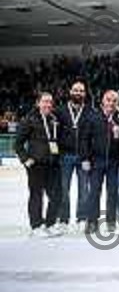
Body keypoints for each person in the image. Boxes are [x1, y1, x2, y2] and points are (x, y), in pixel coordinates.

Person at [15, 92, 63, 236]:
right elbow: (18, 144)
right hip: (36, 165)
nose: (48, 105)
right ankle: (36, 226)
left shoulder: (54, 119)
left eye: (50, 102)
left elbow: (55, 140)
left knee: (57, 195)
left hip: (52, 164)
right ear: (38, 103)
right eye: (45, 101)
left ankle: (50, 223)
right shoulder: (29, 120)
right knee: (36, 195)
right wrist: (26, 159)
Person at [55, 80, 95, 232]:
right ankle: (63, 219)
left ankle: (82, 218)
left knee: (84, 189)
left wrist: (89, 157)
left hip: (83, 157)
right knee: (63, 189)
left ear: (85, 94)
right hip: (65, 156)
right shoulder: (60, 111)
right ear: (70, 92)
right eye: (75, 90)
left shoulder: (90, 111)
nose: (78, 93)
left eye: (81, 91)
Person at [83, 90, 119, 233]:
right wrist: (86, 158)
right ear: (103, 101)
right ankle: (91, 222)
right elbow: (85, 140)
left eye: (114, 101)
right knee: (94, 192)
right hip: (96, 161)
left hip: (113, 163)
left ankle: (111, 221)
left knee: (112, 193)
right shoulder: (93, 118)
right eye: (109, 100)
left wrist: (117, 137)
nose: (111, 103)